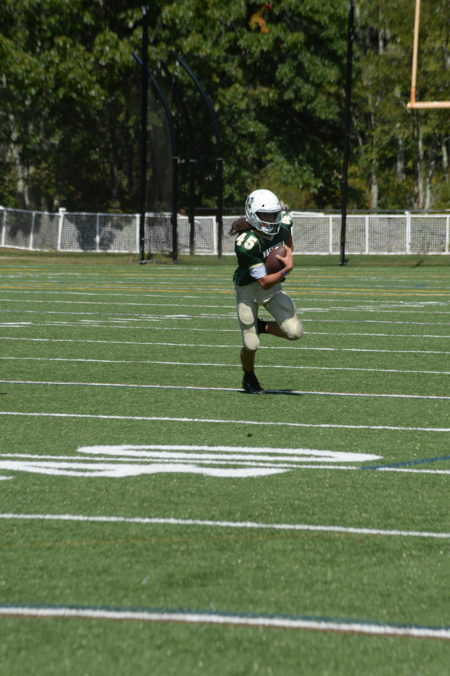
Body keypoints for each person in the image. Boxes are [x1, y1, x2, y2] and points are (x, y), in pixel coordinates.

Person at [230, 188, 303, 394]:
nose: (271, 220)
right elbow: (263, 281)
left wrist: (287, 255)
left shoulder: (283, 225)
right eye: (265, 215)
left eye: (273, 214)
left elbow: (288, 245)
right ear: (253, 214)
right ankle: (249, 376)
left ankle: (261, 326)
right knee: (251, 344)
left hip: (272, 287)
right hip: (248, 289)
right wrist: (286, 269)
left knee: (295, 332)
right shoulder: (247, 243)